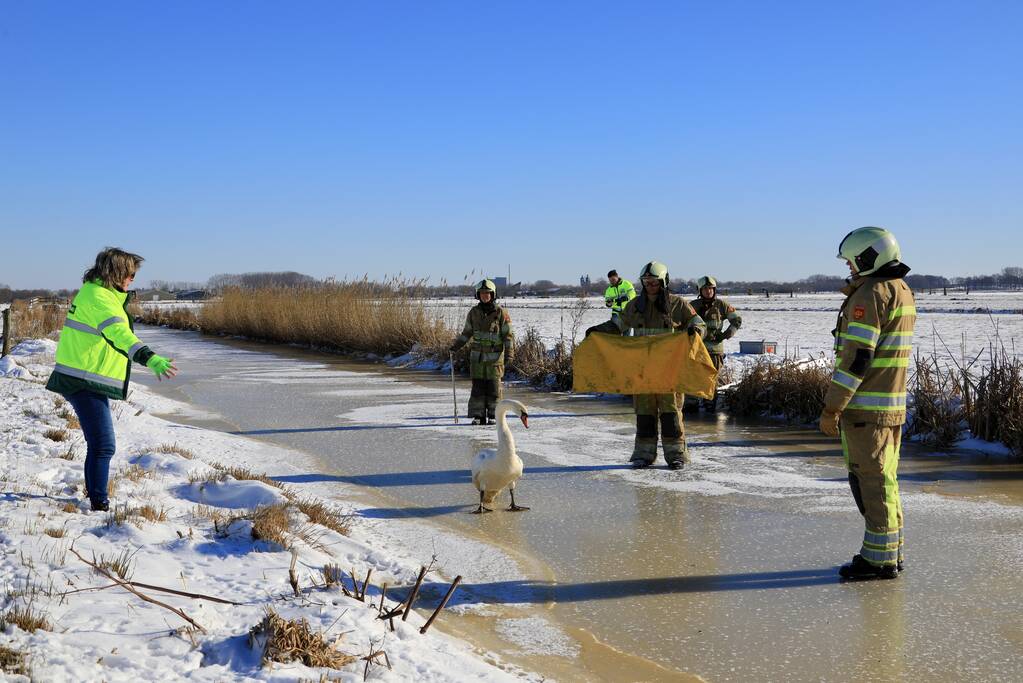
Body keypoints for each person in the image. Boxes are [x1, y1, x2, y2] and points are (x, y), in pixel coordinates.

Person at [46, 247, 178, 511]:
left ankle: (96, 498)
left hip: (82, 377)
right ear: (116, 273)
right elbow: (119, 333)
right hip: (81, 380)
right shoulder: (100, 297)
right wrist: (149, 357)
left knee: (99, 444)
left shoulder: (96, 293)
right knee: (104, 445)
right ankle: (99, 505)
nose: (132, 279)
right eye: (129, 274)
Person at [818, 227, 915, 580]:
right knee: (884, 482)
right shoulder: (901, 290)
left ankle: (877, 561)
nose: (850, 269)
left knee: (871, 484)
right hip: (890, 407)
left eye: (852, 262)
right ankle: (891, 553)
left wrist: (832, 408)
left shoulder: (870, 294)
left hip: (866, 411)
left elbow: (857, 360)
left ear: (868, 257)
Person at [617, 261, 706, 469]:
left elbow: (698, 323)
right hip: (643, 372)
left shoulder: (678, 304)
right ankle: (644, 455)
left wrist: (696, 332)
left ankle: (676, 455)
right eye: (647, 282)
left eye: (654, 282)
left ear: (664, 282)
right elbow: (618, 324)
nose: (650, 286)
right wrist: (598, 330)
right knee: (645, 415)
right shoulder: (634, 306)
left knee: (671, 414)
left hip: (669, 371)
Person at [450, 279, 515, 425]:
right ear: (478, 295)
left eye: (488, 293)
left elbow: (508, 335)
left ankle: (494, 416)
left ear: (493, 295)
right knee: (478, 388)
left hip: (495, 359)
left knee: (494, 388)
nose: (485, 296)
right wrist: (456, 346)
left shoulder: (501, 313)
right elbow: (466, 333)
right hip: (477, 359)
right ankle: (478, 416)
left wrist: (509, 353)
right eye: (482, 294)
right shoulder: (473, 313)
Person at [689, 275, 742, 411]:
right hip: (696, 350)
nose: (708, 291)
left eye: (711, 288)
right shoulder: (692, 306)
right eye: (705, 289)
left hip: (714, 351)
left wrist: (727, 334)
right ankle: (692, 408)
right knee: (694, 379)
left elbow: (736, 320)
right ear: (700, 290)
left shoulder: (722, 305)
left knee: (711, 380)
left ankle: (710, 409)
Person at [585, 269, 637, 337]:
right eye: (610, 280)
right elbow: (608, 302)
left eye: (613, 279)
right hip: (616, 313)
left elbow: (633, 294)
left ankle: (626, 345)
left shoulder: (626, 284)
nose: (611, 282)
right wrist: (608, 303)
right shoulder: (609, 290)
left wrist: (626, 298)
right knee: (616, 330)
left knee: (627, 334)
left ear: (617, 277)